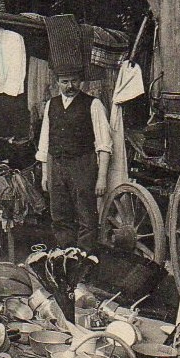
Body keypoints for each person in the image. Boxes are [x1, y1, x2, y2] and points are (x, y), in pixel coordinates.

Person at [37, 65, 112, 252]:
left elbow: (104, 144)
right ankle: (66, 260)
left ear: (81, 82)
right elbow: (45, 142)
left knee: (86, 217)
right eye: (65, 82)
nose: (70, 86)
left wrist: (101, 177)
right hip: (56, 165)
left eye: (74, 81)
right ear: (57, 83)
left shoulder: (94, 104)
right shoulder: (51, 105)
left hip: (82, 165)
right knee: (60, 216)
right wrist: (45, 174)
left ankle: (84, 264)